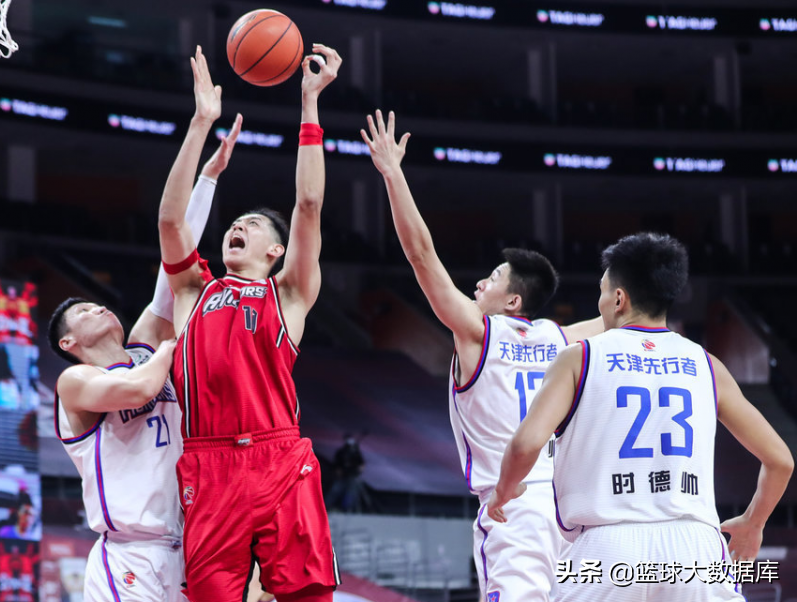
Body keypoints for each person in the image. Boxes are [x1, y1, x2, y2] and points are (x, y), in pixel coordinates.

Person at [361, 109, 605, 601]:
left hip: (511, 504)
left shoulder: (477, 333)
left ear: (513, 301)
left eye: (491, 278)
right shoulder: (562, 340)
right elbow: (623, 316)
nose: (478, 283)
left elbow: (421, 255)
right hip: (571, 512)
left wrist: (393, 174)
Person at [487, 232, 794, 601]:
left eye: (602, 292)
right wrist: (753, 523)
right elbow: (780, 460)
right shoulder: (707, 365)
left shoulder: (579, 357)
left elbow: (525, 445)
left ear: (619, 298)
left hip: (605, 547)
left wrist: (504, 490)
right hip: (695, 548)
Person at [158, 45, 342, 602]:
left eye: (253, 224)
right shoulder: (194, 290)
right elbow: (170, 218)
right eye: (233, 223)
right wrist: (199, 125)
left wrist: (309, 104)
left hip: (278, 455)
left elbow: (308, 202)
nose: (237, 226)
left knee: (307, 596)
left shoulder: (287, 292)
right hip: (208, 461)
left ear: (276, 249)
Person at [48, 113, 241, 602]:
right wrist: (177, 342)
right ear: (69, 344)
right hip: (128, 554)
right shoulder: (77, 383)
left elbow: (173, 263)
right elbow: (137, 389)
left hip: (189, 547)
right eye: (85, 311)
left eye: (98, 301)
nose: (99, 306)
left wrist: (208, 175)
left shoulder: (143, 346)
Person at [324, 432, 366, 512]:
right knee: (335, 491)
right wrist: (338, 471)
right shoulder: (341, 452)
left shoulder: (356, 452)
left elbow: (361, 463)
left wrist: (359, 470)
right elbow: (336, 464)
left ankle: (347, 509)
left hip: (352, 476)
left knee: (351, 493)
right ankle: (326, 507)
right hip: (342, 475)